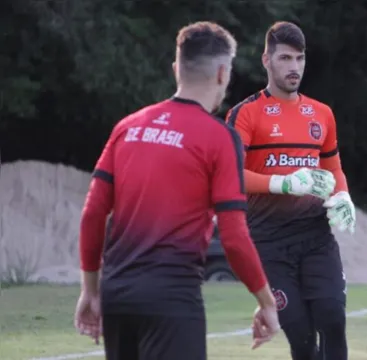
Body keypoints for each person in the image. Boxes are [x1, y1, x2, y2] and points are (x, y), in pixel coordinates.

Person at [74, 21, 280, 360]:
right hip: (171, 297)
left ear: (176, 69)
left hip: (117, 295)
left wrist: (90, 290)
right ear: (222, 74)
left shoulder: (128, 127)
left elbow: (93, 213)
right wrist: (266, 302)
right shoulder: (219, 138)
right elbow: (233, 237)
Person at [225, 21, 356, 360]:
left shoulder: (322, 114)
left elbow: (332, 166)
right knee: (299, 334)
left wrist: (342, 196)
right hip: (268, 241)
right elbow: (229, 175)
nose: (294, 67)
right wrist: (281, 183)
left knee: (331, 316)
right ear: (266, 60)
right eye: (285, 58)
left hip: (315, 235)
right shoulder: (245, 114)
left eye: (299, 58)